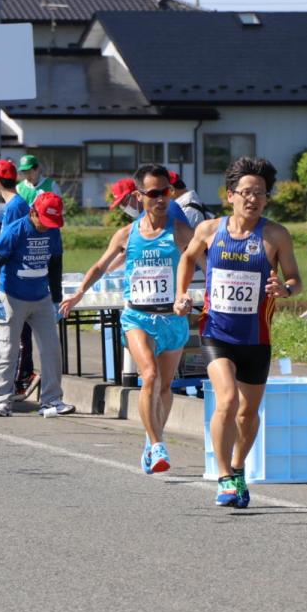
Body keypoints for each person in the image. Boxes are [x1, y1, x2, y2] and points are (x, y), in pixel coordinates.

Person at [175, 156, 301, 508]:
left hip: (256, 338)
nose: (253, 199)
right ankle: (224, 476)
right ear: (230, 195)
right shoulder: (209, 230)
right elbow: (187, 258)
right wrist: (181, 294)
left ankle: (239, 466)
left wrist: (285, 289)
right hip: (216, 331)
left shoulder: (275, 235)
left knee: (247, 413)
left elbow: (295, 279)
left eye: (260, 192)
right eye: (246, 192)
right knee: (227, 400)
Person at [62, 164, 196, 475]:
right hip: (138, 317)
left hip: (172, 319)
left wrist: (187, 294)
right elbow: (100, 266)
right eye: (154, 193)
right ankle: (158, 444)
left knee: (165, 386)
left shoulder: (179, 230)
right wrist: (79, 293)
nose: (161, 199)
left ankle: (152, 439)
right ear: (139, 196)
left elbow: (201, 261)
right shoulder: (127, 234)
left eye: (166, 192)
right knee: (149, 376)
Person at [0, 192, 74, 418]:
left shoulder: (53, 231)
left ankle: (51, 400)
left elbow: (55, 265)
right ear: (33, 213)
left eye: (52, 222)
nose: (47, 226)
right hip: (13, 297)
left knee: (51, 349)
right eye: (44, 220)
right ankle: (2, 402)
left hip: (41, 298)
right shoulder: (15, 231)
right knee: (7, 350)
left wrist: (56, 299)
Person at [0, 158, 39, 401]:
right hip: (16, 275)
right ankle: (22, 376)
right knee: (18, 333)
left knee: (18, 334)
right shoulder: (15, 205)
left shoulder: (15, 207)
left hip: (16, 277)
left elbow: (13, 244)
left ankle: (23, 376)